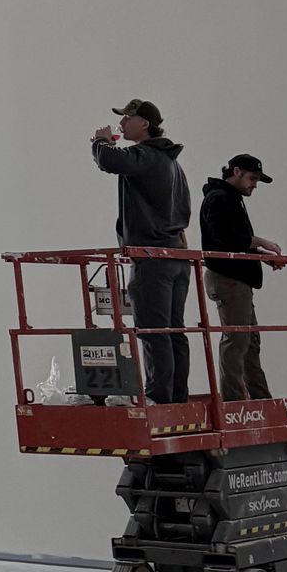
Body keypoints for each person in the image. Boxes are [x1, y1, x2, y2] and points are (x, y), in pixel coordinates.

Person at [90, 99, 192, 403]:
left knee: (153, 331)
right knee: (173, 331)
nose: (122, 124)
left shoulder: (146, 155)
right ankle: (176, 397)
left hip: (152, 257)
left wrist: (100, 141)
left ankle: (159, 397)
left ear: (144, 123)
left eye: (127, 118)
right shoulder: (172, 163)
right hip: (176, 255)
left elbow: (111, 162)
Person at [199, 154, 283, 402]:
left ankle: (259, 399)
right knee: (237, 341)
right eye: (252, 178)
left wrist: (259, 255)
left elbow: (231, 241)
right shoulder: (219, 198)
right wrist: (260, 242)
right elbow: (226, 239)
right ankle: (235, 402)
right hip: (228, 278)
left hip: (235, 278)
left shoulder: (228, 198)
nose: (254, 185)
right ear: (236, 171)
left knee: (248, 342)